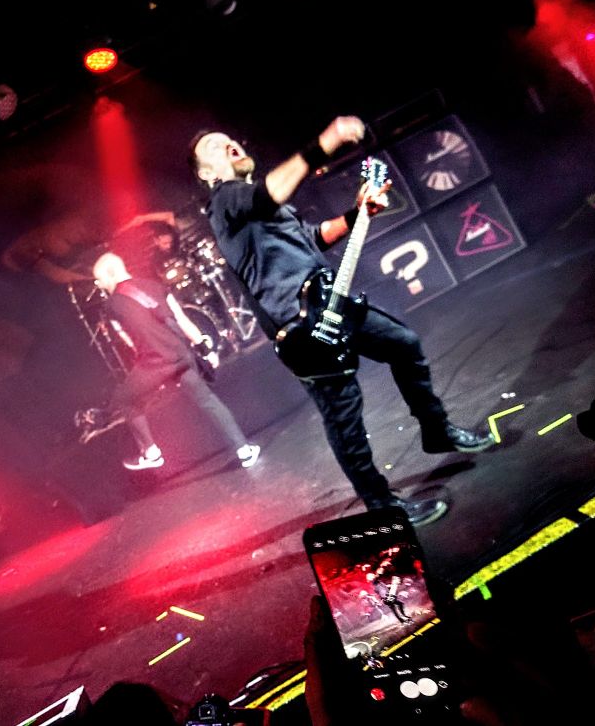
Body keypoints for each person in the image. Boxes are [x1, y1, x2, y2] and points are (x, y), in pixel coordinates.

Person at [188, 117, 494, 526]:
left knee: (404, 344)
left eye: (229, 138)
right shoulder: (226, 200)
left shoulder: (266, 207)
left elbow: (314, 236)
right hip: (301, 327)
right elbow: (264, 196)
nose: (227, 144)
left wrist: (357, 213)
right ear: (206, 174)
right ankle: (382, 506)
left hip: (329, 299)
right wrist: (326, 142)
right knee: (344, 415)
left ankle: (436, 430)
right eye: (213, 146)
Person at [91, 251, 260, 471]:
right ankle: (244, 449)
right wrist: (206, 349)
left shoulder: (112, 306)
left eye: (100, 279)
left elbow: (129, 341)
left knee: (124, 400)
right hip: (181, 356)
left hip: (154, 363)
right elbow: (181, 320)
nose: (99, 284)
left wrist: (151, 373)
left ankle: (151, 453)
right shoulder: (156, 286)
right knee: (208, 401)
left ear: (111, 273)